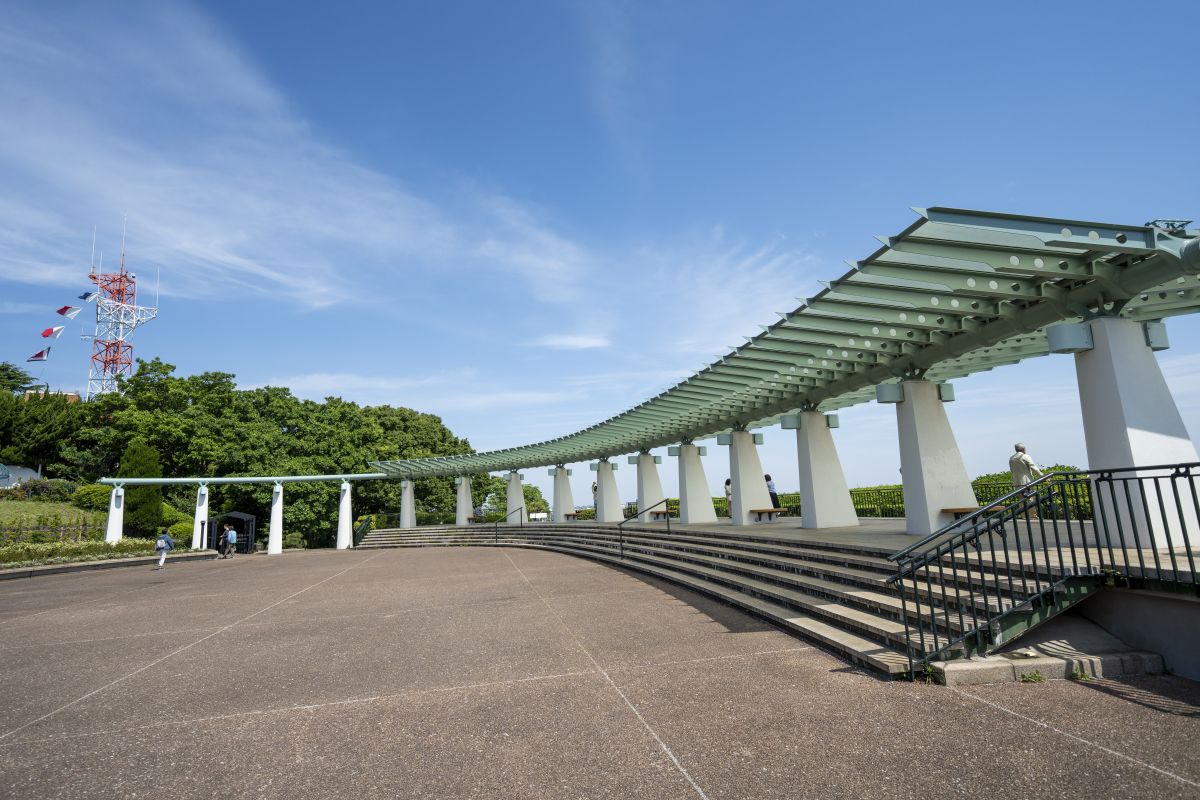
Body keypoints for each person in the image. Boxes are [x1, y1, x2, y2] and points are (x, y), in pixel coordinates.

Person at [1009, 443, 1044, 518]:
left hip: (1016, 482)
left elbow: (1012, 470)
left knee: (1021, 500)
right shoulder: (1025, 456)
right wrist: (1042, 476)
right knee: (1030, 499)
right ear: (1023, 449)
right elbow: (1033, 467)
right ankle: (1032, 515)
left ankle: (1024, 515)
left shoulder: (1011, 458)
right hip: (1026, 482)